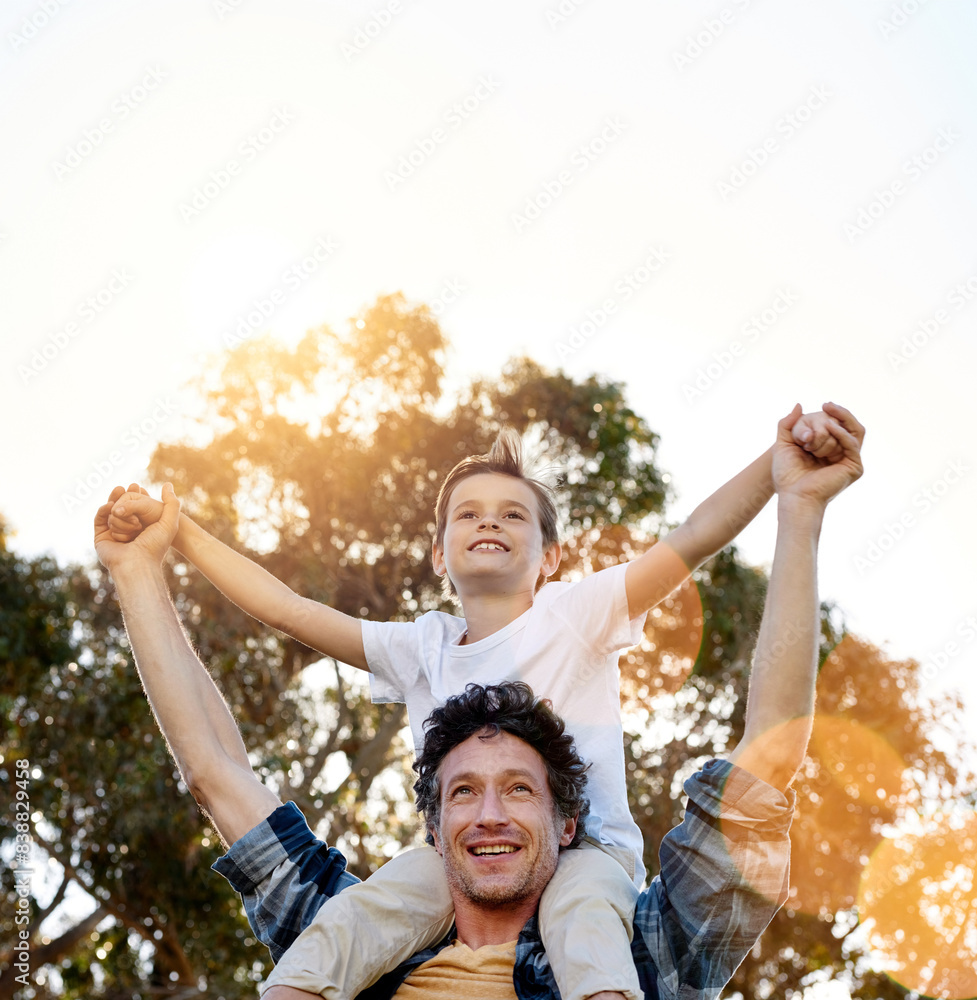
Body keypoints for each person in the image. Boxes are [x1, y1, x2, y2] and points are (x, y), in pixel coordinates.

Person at [93, 402, 864, 998]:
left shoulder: (575, 613)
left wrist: (779, 475)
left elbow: (694, 535)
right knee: (353, 920)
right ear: (437, 554)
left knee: (582, 922)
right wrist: (178, 537)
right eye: (466, 513)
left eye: (511, 514)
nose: (488, 521)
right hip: (442, 864)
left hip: (591, 858)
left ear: (550, 557)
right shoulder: (419, 646)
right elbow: (287, 614)